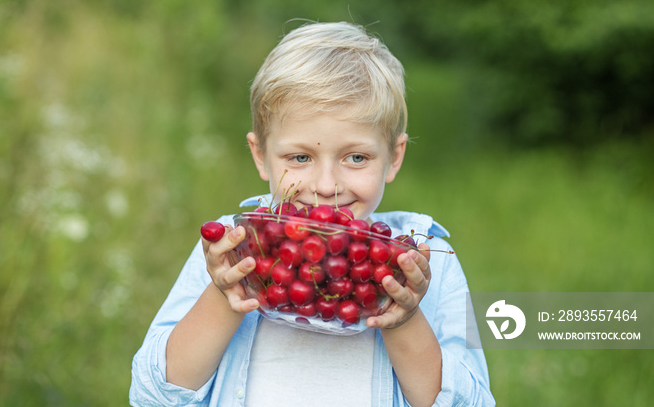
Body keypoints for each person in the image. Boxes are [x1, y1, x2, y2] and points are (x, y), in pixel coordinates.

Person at [130, 21, 495, 406]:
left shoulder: (421, 262)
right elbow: (153, 395)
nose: (325, 185)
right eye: (300, 157)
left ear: (394, 157)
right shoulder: (233, 248)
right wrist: (226, 295)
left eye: (356, 157)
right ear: (260, 156)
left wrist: (404, 319)